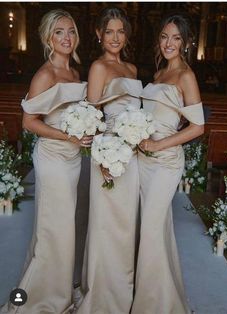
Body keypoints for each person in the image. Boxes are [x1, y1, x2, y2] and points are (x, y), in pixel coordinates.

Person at [1, 9, 92, 314]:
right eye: (59, 32)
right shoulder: (45, 74)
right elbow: (29, 122)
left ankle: (59, 287)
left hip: (72, 157)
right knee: (56, 227)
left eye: (71, 31)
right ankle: (42, 297)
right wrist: (69, 138)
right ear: (48, 38)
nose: (67, 38)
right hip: (53, 158)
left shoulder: (76, 73)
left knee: (67, 228)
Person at [132, 14, 205, 314]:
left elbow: (197, 126)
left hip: (166, 160)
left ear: (186, 42)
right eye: (164, 36)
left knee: (150, 226)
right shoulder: (160, 72)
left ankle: (152, 305)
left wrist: (159, 144)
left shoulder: (186, 76)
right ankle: (158, 295)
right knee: (153, 227)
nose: (169, 43)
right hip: (144, 160)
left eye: (175, 38)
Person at [76, 7, 143, 314]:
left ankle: (123, 291)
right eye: (109, 31)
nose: (115, 37)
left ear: (126, 35)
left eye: (120, 31)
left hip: (133, 156)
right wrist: (100, 156)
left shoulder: (131, 69)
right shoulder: (98, 67)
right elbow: (91, 116)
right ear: (99, 34)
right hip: (107, 154)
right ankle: (102, 294)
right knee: (105, 224)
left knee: (127, 225)